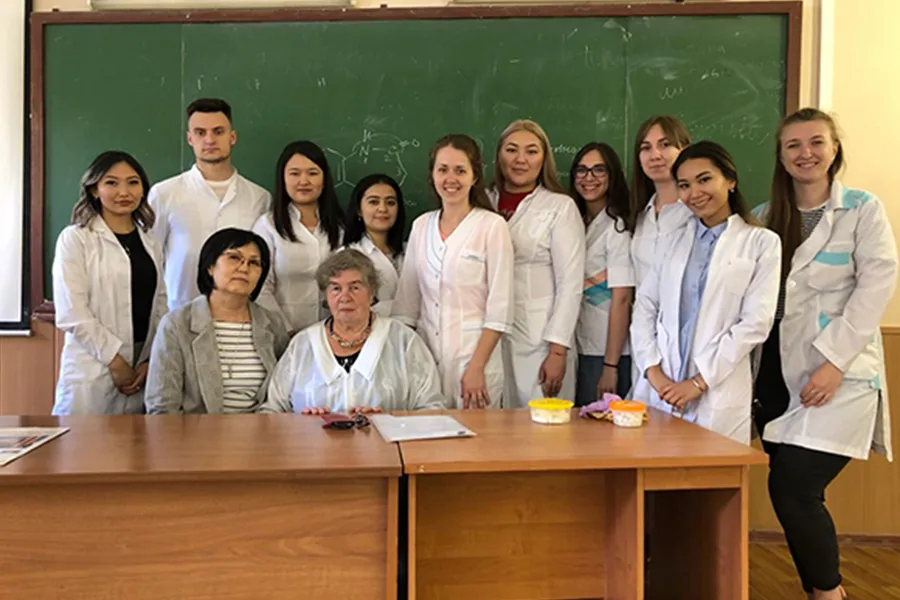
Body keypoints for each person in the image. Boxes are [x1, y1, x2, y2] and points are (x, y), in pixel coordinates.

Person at [755, 108, 898, 600]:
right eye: (793, 145)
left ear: (834, 149)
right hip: (774, 372)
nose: (806, 153)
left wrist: (835, 363)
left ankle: (830, 593)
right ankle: (817, 590)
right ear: (780, 156)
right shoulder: (764, 216)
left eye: (816, 142)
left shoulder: (862, 209)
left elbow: (876, 286)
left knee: (794, 486)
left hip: (839, 371)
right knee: (791, 489)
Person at [631, 141, 781, 444]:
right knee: (652, 470)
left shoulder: (761, 242)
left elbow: (755, 323)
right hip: (662, 387)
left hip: (717, 389)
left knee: (711, 471)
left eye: (704, 179)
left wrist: (699, 382)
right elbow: (645, 305)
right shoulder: (673, 240)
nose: (694, 193)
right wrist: (654, 373)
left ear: (731, 180)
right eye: (684, 185)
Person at [392, 134, 514, 409]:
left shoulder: (492, 226)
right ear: (433, 175)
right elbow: (407, 306)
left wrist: (476, 368)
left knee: (475, 436)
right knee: (428, 433)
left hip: (475, 361)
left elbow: (500, 308)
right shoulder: (421, 226)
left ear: (474, 177)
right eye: (443, 170)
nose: (451, 179)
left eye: (460, 170)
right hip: (425, 360)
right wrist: (406, 366)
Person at [261, 250, 448, 413]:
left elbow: (432, 407)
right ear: (326, 295)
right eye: (336, 288)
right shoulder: (302, 345)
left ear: (372, 293)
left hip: (385, 444)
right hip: (311, 443)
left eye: (355, 288)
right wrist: (304, 424)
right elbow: (272, 410)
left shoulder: (403, 341)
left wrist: (387, 421)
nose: (345, 297)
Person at [52, 151, 168, 415]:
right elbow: (73, 313)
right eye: (111, 183)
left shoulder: (151, 243)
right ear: (94, 190)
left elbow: (160, 305)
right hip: (93, 365)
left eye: (133, 182)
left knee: (136, 441)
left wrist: (150, 360)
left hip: (141, 367)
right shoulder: (76, 239)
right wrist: (115, 362)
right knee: (82, 440)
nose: (123, 192)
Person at [489, 120, 585, 405]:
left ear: (544, 159)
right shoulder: (482, 201)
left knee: (541, 421)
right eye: (511, 150)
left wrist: (557, 350)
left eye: (531, 151)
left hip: (540, 340)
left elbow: (570, 284)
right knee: (492, 422)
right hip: (490, 336)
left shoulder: (560, 207)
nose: (520, 159)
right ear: (499, 156)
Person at [144, 228, 289, 414]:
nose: (244, 268)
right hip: (195, 431)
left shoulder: (272, 324)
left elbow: (284, 396)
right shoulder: (177, 324)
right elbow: (162, 406)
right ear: (210, 266)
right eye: (234, 257)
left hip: (262, 429)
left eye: (254, 263)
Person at [149, 98, 271, 311]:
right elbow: (151, 259)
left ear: (232, 137)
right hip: (179, 313)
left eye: (218, 131)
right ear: (190, 138)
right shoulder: (164, 194)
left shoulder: (259, 198)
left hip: (241, 314)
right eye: (200, 132)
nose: (209, 140)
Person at [253, 140, 344, 335]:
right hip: (282, 335)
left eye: (312, 173)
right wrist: (287, 331)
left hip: (336, 336)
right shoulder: (267, 226)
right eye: (295, 173)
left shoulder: (340, 227)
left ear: (324, 178)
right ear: (283, 178)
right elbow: (260, 287)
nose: (304, 181)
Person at [569, 142, 634, 404]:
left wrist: (610, 366)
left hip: (606, 352)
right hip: (580, 345)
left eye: (599, 170)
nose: (589, 178)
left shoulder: (618, 228)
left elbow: (622, 299)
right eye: (582, 170)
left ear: (613, 174)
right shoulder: (577, 221)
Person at [629, 115, 693, 286]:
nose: (654, 156)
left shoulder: (697, 212)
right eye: (646, 148)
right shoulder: (640, 214)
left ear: (685, 150)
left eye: (664, 145)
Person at [342, 174, 406, 317]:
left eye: (390, 203)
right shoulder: (347, 256)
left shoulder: (412, 250)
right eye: (373, 202)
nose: (382, 208)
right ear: (359, 210)